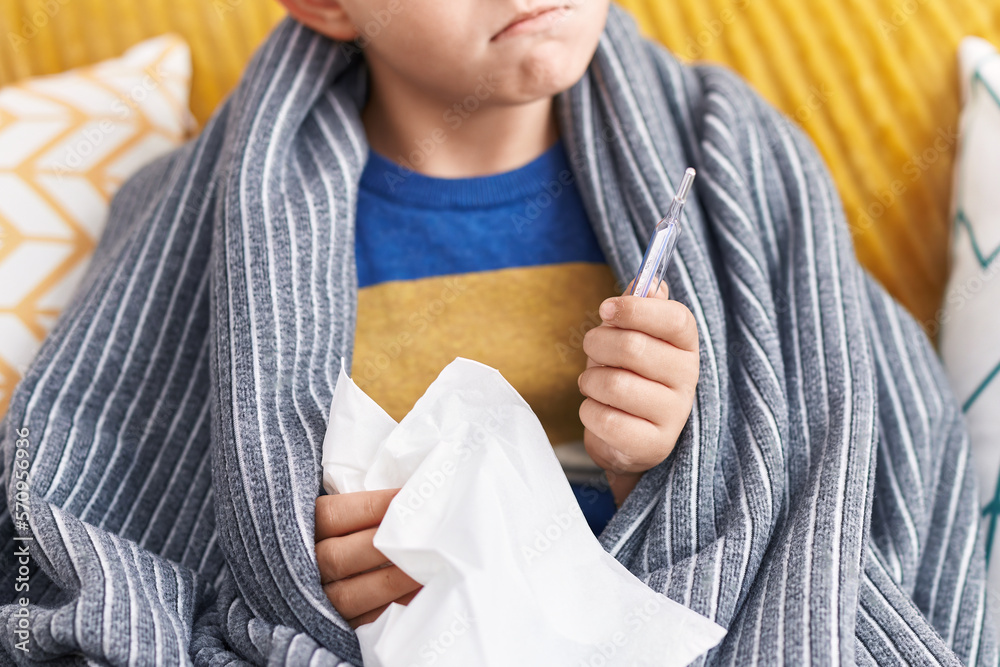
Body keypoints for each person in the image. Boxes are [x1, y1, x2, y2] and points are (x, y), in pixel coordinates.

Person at [2, 0, 994, 663]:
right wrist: (297, 569)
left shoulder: (732, 164)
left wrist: (664, 471)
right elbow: (121, 507)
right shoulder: (204, 220)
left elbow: (846, 467)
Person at [292, 0, 701, 629]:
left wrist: (648, 469)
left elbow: (809, 481)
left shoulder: (733, 154)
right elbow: (161, 505)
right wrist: (289, 555)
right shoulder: (225, 218)